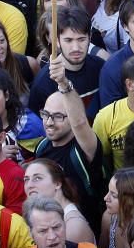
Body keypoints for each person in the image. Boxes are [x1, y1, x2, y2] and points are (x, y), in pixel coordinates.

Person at [33, 35, 106, 232]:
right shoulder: (42, 147)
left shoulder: (84, 148)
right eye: (45, 115)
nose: (49, 122)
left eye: (58, 117)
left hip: (84, 230)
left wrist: (64, 84)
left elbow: (81, 123)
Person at [22, 162, 94, 245]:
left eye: (37, 178)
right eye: (26, 179)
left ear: (57, 183)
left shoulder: (73, 225)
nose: (29, 185)